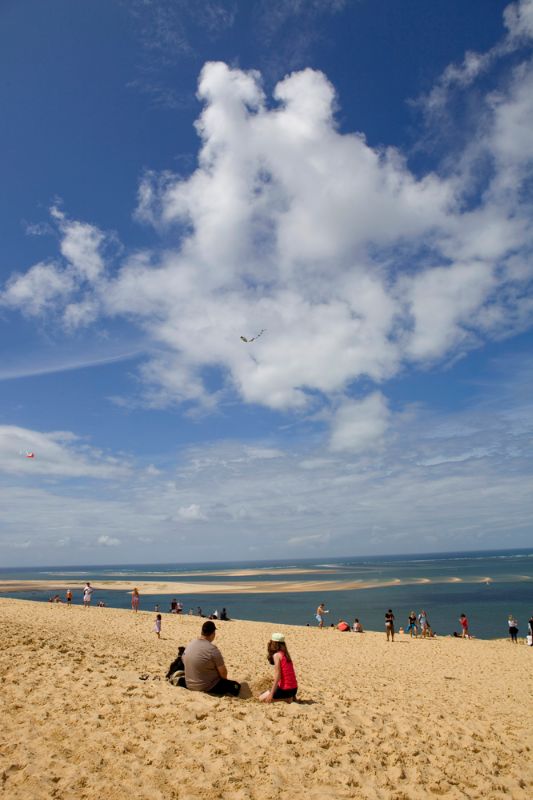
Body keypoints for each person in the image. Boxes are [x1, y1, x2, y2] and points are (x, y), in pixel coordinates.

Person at [181, 620, 241, 696]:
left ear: (202, 632)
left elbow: (184, 661)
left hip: (189, 684)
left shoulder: (191, 644)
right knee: (236, 686)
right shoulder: (212, 650)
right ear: (213, 634)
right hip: (206, 686)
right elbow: (223, 673)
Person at [259, 633, 298, 703]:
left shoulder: (277, 655)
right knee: (264, 693)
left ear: (274, 643)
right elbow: (290, 674)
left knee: (261, 698)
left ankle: (287, 699)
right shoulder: (286, 654)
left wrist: (271, 694)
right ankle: (291, 697)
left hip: (286, 690)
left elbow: (278, 676)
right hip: (294, 689)